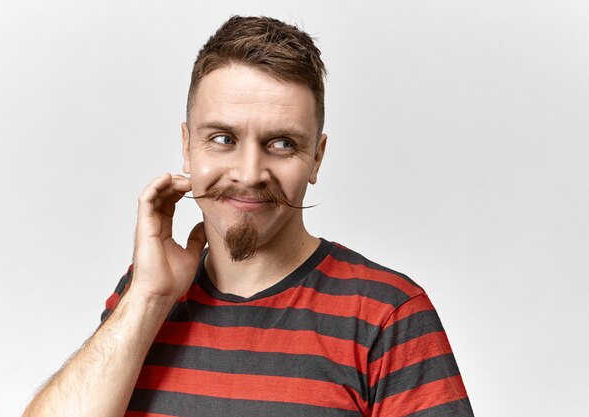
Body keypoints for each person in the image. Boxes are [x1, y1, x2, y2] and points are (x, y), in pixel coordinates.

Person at [23, 15, 474, 417]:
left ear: (316, 159)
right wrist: (147, 298)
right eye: (223, 139)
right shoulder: (145, 297)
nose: (248, 173)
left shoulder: (387, 313)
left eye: (281, 143)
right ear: (187, 146)